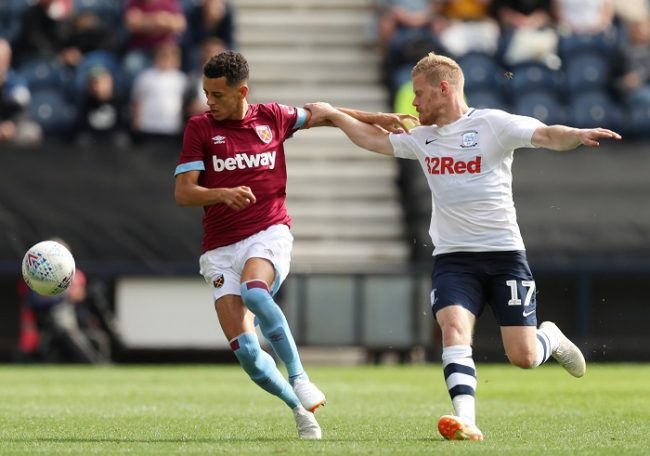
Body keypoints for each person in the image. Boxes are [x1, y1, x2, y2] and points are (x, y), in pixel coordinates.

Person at [305, 52, 621, 441]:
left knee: (523, 357)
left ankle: (550, 337)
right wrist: (335, 116)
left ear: (444, 89)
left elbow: (545, 134)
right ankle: (466, 420)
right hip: (453, 260)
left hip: (505, 257)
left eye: (419, 93)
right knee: (453, 328)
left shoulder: (492, 125)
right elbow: (373, 139)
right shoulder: (422, 138)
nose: (414, 102)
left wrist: (576, 134)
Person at [174, 50, 413, 439]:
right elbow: (184, 192)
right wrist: (221, 194)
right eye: (206, 94)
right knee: (249, 355)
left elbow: (324, 114)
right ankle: (299, 409)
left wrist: (376, 117)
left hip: (267, 232)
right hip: (219, 250)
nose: (209, 102)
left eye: (217, 95)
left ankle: (300, 376)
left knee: (255, 292)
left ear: (242, 92)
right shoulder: (200, 128)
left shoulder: (272, 117)